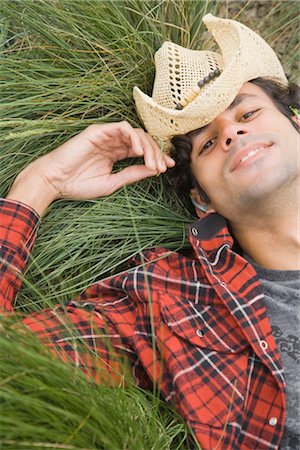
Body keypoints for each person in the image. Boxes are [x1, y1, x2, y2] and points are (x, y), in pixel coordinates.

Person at [1, 13, 299, 450]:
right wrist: (39, 184)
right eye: (208, 144)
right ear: (203, 200)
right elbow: (10, 364)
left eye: (248, 111)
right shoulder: (168, 302)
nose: (231, 131)